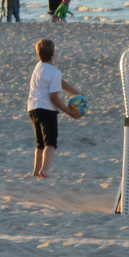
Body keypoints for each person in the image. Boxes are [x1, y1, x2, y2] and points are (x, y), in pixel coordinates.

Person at [27, 38, 82, 178]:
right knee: (50, 143)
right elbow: (54, 97)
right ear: (54, 54)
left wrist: (75, 92)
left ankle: (36, 171)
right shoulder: (54, 72)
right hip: (47, 109)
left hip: (33, 108)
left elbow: (60, 83)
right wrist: (69, 112)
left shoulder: (38, 67)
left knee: (40, 143)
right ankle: (44, 170)